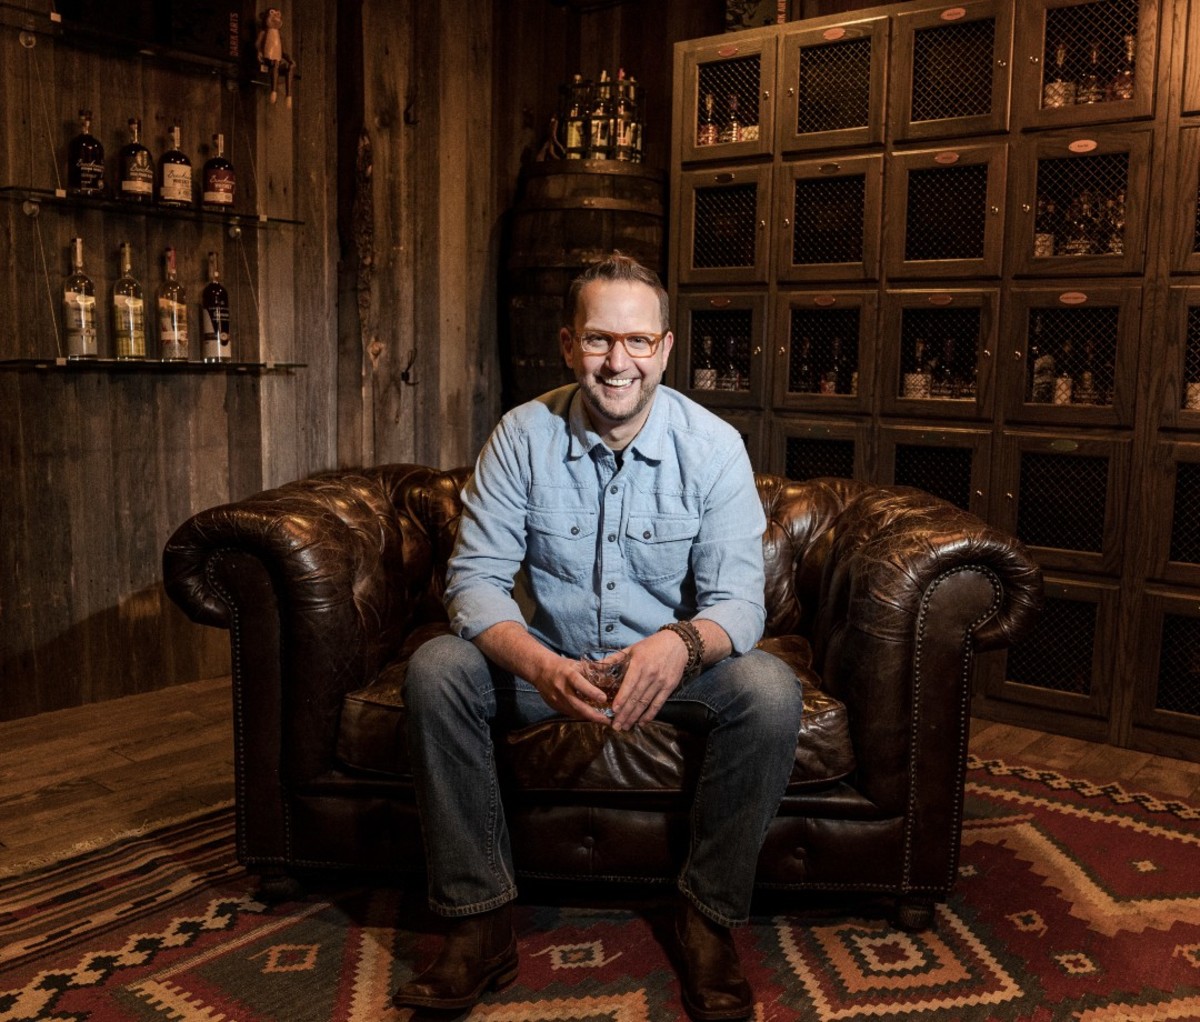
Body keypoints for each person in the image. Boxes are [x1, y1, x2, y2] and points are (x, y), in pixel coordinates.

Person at [393, 253, 804, 1021]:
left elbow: (739, 605)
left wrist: (679, 646)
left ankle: (707, 917)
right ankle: (479, 922)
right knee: (437, 667)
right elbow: (473, 584)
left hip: (669, 671)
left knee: (770, 690)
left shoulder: (712, 447)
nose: (619, 363)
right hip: (546, 664)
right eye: (598, 340)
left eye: (639, 342)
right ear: (566, 344)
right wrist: (540, 664)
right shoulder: (521, 435)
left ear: (666, 349)